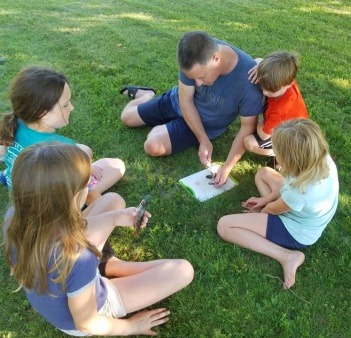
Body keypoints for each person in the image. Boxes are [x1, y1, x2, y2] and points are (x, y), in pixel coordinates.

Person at [3, 143, 194, 336]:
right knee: (183, 270)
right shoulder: (78, 258)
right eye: (88, 184)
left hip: (62, 279)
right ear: (74, 198)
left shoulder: (14, 217)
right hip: (89, 311)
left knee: (112, 201)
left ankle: (108, 266)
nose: (91, 186)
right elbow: (87, 323)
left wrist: (114, 218)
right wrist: (130, 327)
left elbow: (66, 232)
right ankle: (108, 267)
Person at [120, 31, 263, 187]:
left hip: (206, 123)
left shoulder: (249, 82)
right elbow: (186, 99)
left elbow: (247, 127)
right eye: (193, 77)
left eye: (202, 76)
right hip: (177, 101)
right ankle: (146, 95)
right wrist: (203, 140)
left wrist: (227, 167)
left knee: (152, 146)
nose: (198, 84)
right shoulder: (192, 54)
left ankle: (165, 128)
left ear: (216, 58)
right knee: (126, 118)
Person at [217, 119, 339, 289]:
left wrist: (261, 212)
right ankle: (269, 227)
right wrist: (266, 199)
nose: (274, 153)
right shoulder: (318, 158)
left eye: (277, 151)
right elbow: (285, 190)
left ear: (292, 159)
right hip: (297, 208)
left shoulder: (302, 191)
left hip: (296, 231)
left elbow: (273, 210)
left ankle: (287, 256)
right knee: (263, 173)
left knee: (225, 226)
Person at [0, 66, 125, 205]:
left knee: (84, 150)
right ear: (43, 114)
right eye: (65, 105)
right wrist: (88, 174)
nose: (72, 108)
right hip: (49, 207)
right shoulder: (62, 148)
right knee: (116, 166)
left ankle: (7, 175)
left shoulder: (13, 123)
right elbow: (84, 185)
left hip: (20, 186)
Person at [244, 51, 309, 158]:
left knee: (249, 142)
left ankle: (281, 154)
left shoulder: (281, 111)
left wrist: (259, 121)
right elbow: (259, 60)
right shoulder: (284, 78)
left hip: (288, 137)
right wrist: (259, 66)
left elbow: (264, 136)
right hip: (291, 127)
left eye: (270, 91)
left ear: (289, 84)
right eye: (262, 86)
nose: (265, 92)